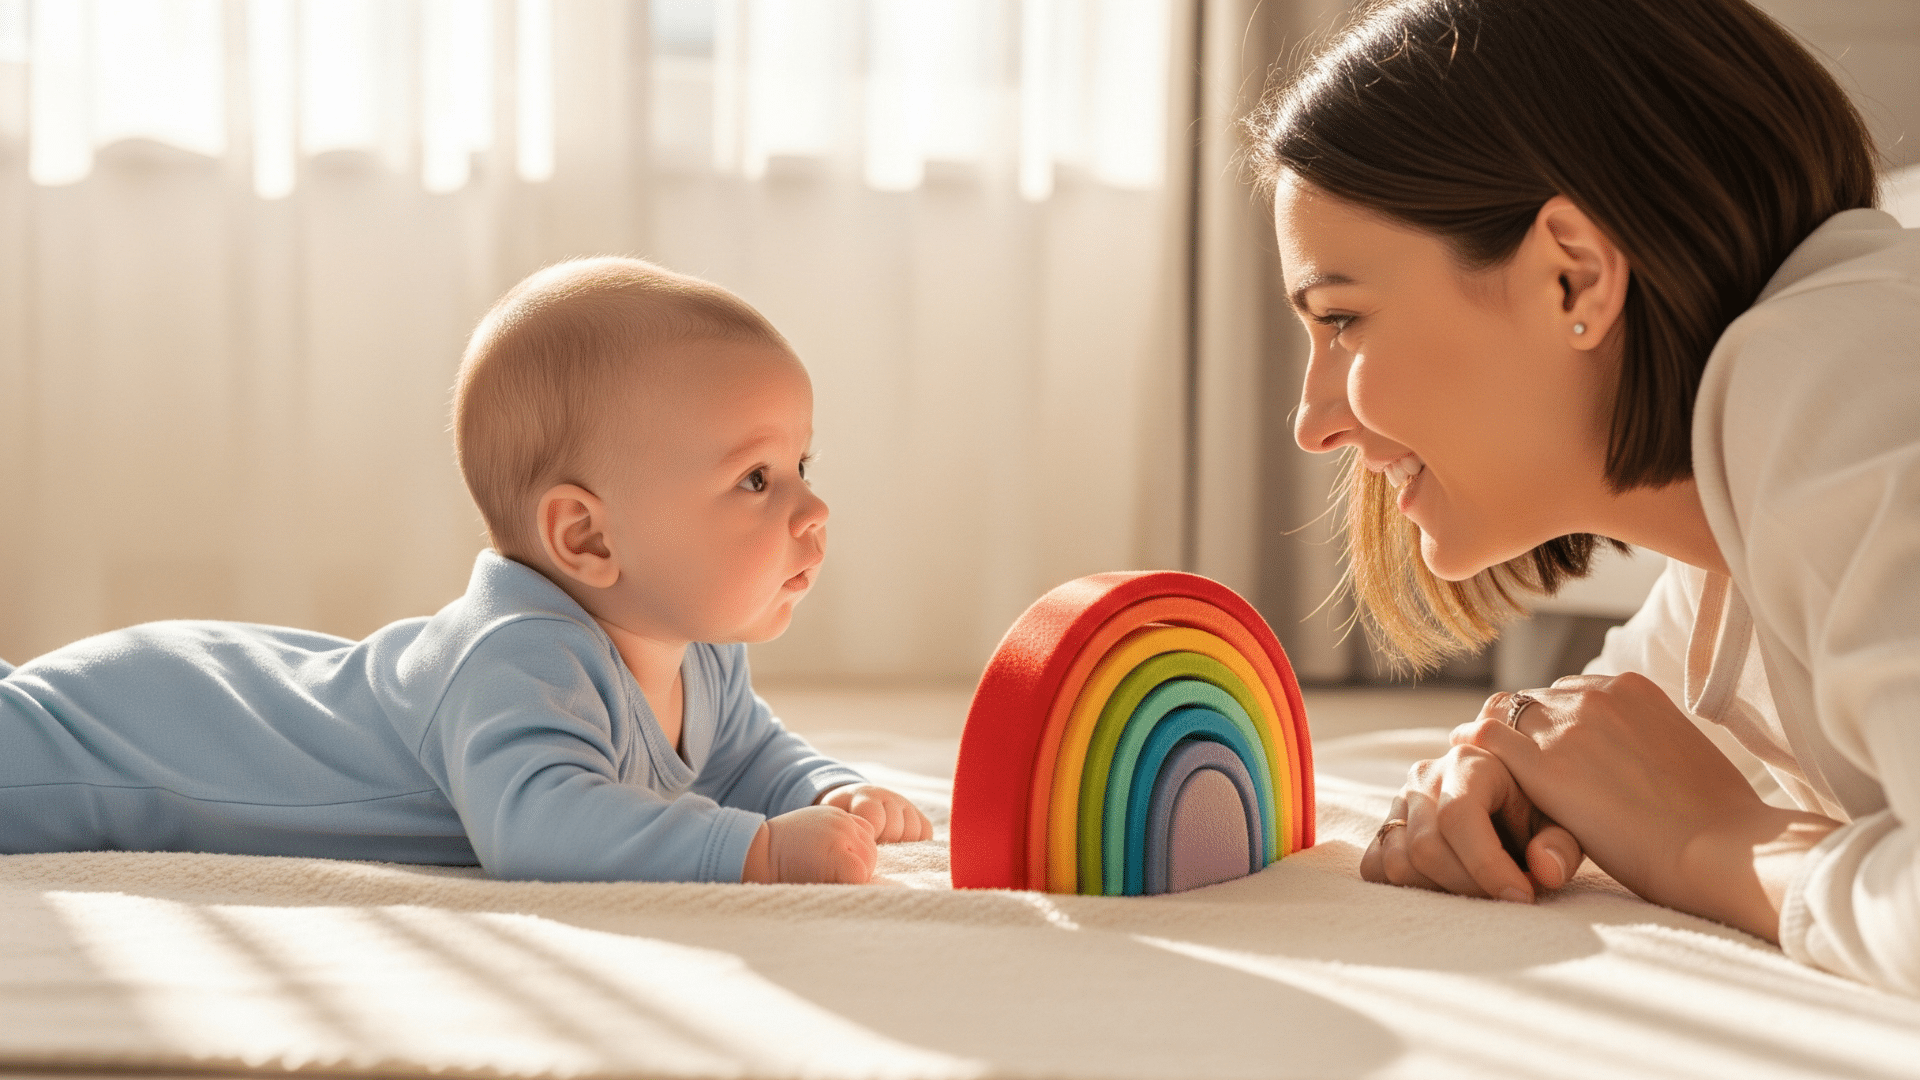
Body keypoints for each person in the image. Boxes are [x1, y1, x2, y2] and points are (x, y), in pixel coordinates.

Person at [1251, 0, 1920, 994]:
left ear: (1574, 277)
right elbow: (1594, 738)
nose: (1312, 421)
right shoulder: (1732, 538)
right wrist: (1511, 766)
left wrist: (1719, 845)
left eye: (1343, 318)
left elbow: (1676, 808)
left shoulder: (1829, 375)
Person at [0, 257, 931, 885]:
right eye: (756, 479)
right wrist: (754, 854)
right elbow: (541, 825)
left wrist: (821, 792)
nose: (811, 513)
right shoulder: (520, 659)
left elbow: (746, 755)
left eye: (801, 469)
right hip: (136, 732)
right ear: (588, 540)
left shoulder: (698, 654)